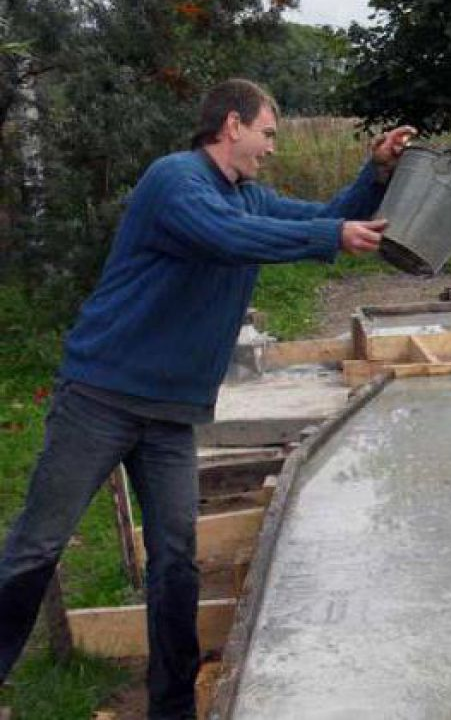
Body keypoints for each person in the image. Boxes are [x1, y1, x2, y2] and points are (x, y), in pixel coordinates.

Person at [0, 79, 415, 719]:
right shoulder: (176, 182)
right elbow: (226, 237)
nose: (272, 148)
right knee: (38, 545)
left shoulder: (244, 196)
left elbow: (315, 216)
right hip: (103, 396)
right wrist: (331, 236)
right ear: (231, 125)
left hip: (171, 414)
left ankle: (171, 709)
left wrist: (375, 175)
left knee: (176, 561)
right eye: (267, 133)